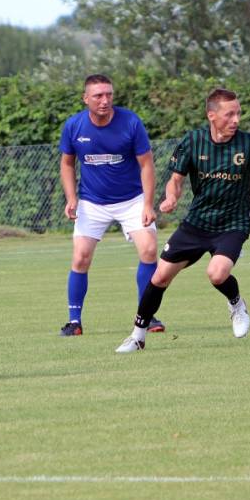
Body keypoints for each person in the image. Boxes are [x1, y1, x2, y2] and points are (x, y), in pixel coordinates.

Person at [114, 87, 250, 354]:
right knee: (160, 276)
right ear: (211, 115)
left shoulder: (249, 143)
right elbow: (175, 180)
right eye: (229, 114)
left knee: (217, 273)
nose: (236, 120)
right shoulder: (193, 141)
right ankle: (137, 336)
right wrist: (171, 197)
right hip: (197, 222)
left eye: (238, 114)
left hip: (234, 223)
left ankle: (237, 305)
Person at [58, 74, 164, 336]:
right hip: (92, 202)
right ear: (86, 98)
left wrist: (148, 204)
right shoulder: (74, 126)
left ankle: (146, 316)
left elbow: (147, 165)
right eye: (98, 96)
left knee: (149, 250)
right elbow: (67, 163)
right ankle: (74, 322)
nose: (105, 100)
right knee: (80, 257)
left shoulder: (131, 122)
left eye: (109, 95)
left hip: (132, 200)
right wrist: (71, 198)